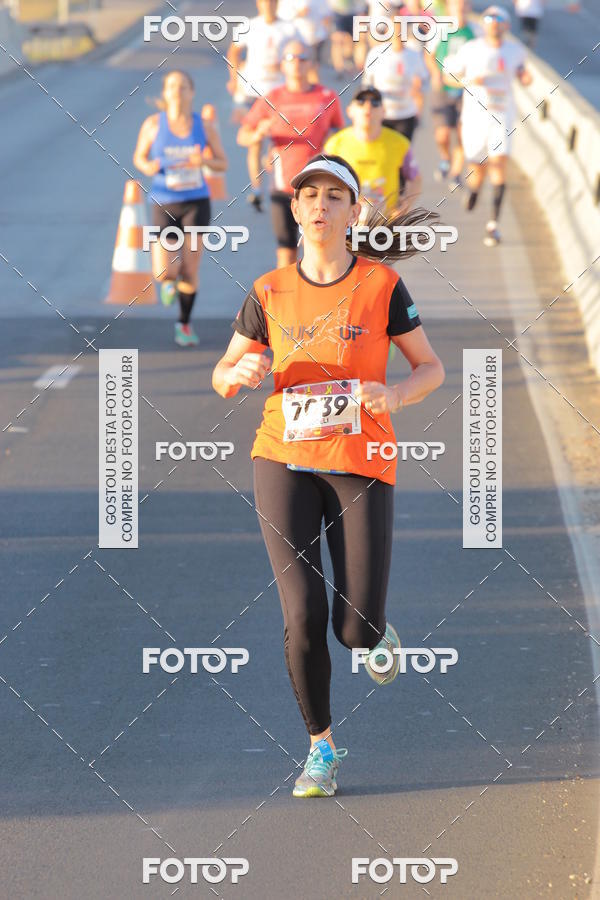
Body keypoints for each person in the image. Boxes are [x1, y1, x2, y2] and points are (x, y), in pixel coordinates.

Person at [211, 154, 445, 797]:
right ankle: (321, 748)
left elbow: (431, 368)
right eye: (308, 194)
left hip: (361, 463)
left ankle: (373, 631)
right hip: (281, 457)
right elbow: (226, 370)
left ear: (353, 209)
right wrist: (238, 376)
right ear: (295, 209)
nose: (319, 205)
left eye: (334, 196)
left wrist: (392, 397)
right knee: (302, 612)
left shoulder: (380, 287)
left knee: (355, 628)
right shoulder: (268, 290)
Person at [133, 70, 227, 346]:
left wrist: (204, 162)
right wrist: (148, 165)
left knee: (189, 268)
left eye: (183, 86)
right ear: (164, 92)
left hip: (196, 202)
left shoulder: (204, 126)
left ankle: (184, 324)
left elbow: (223, 163)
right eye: (172, 86)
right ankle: (168, 283)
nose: (177, 91)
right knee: (165, 271)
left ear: (191, 92)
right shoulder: (152, 124)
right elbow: (139, 156)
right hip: (163, 201)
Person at [237, 39, 345, 268]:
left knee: (316, 252)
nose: (296, 63)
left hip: (317, 188)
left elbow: (341, 134)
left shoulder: (327, 96)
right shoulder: (272, 98)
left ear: (312, 64)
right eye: (290, 58)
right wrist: (258, 134)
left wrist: (332, 143)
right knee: (286, 255)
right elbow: (243, 136)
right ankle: (286, 303)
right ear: (282, 66)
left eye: (302, 58)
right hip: (283, 186)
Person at [444, 5, 531, 246]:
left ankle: (493, 225)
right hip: (475, 117)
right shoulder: (471, 50)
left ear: (506, 25)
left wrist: (525, 77)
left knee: (499, 162)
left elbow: (522, 72)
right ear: (483, 25)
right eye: (489, 19)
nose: (494, 23)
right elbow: (447, 76)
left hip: (502, 116)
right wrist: (470, 80)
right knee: (477, 165)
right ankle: (474, 190)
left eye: (499, 19)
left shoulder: (516, 50)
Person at [226, 0, 297, 211]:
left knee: (278, 143)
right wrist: (234, 78)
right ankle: (257, 190)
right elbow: (233, 52)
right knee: (254, 141)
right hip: (251, 93)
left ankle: (279, 186)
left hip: (279, 95)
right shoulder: (249, 26)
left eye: (273, 2)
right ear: (259, 4)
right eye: (265, 2)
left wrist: (286, 63)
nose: (269, 5)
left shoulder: (289, 28)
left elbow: (304, 54)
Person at [324, 86, 421, 225]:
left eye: (375, 103)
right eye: (361, 102)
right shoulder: (335, 145)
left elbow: (415, 179)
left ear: (383, 112)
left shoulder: (399, 143)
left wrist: (405, 203)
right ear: (350, 111)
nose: (368, 107)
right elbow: (323, 184)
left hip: (385, 224)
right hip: (347, 224)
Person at [424, 0, 476, 186]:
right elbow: (429, 55)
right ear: (449, 8)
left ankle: (455, 173)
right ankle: (445, 159)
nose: (461, 9)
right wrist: (435, 74)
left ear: (469, 7)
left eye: (464, 5)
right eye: (457, 5)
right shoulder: (440, 29)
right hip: (443, 87)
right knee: (443, 134)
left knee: (462, 134)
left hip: (467, 90)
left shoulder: (476, 31)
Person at [362, 15, 428, 140]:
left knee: (402, 154)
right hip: (381, 115)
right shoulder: (376, 54)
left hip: (406, 114)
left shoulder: (414, 56)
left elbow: (423, 83)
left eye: (400, 31)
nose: (397, 35)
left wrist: (419, 103)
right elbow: (366, 85)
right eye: (394, 30)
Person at [277, 0, 331, 82]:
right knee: (296, 70)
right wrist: (298, 13)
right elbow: (281, 15)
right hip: (296, 40)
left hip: (316, 38)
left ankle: (313, 93)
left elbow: (327, 13)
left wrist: (325, 26)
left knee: (313, 68)